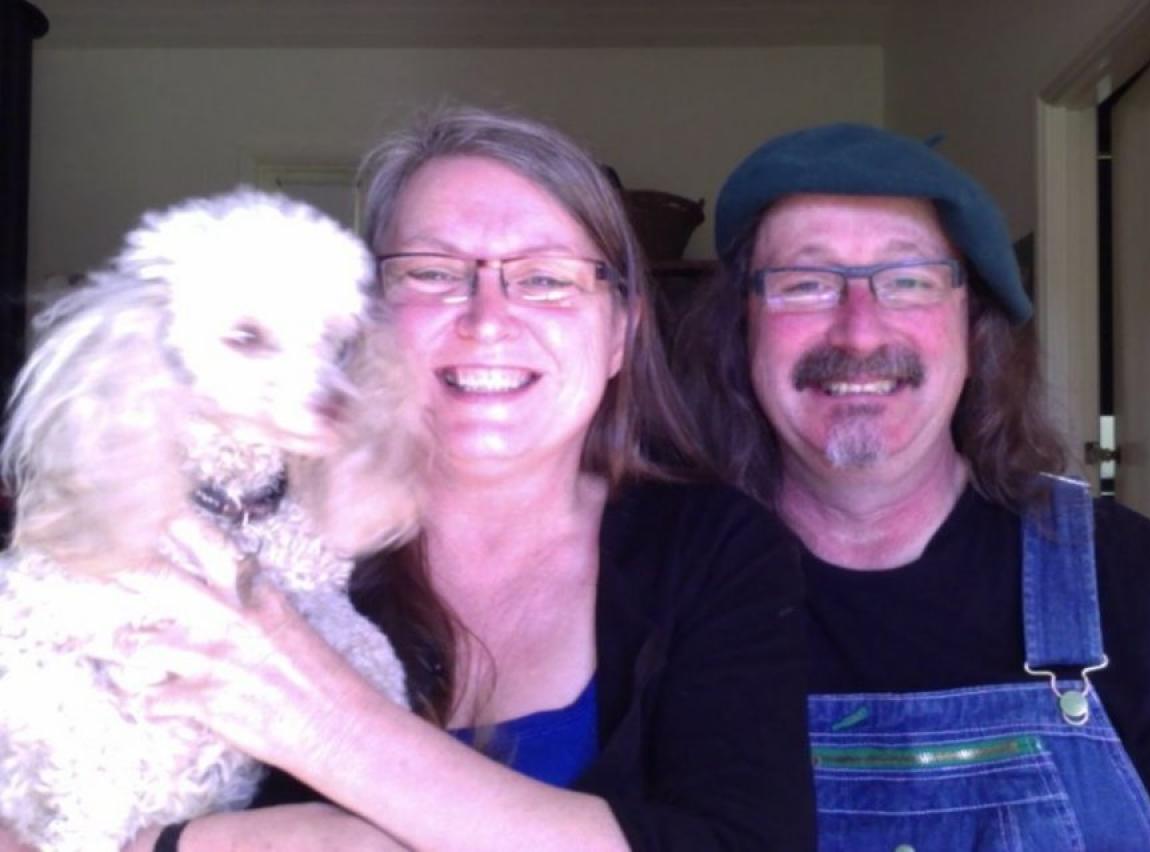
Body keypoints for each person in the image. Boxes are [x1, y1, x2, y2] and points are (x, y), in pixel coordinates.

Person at [0, 107, 816, 851]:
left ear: (618, 336)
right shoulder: (230, 526)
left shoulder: (718, 550)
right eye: (432, 271)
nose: (488, 319)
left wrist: (328, 733)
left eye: (545, 278)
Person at [675, 122, 1150, 850]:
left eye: (909, 281)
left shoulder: (1126, 579)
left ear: (974, 324)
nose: (859, 333)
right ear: (741, 328)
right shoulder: (667, 588)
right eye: (806, 284)